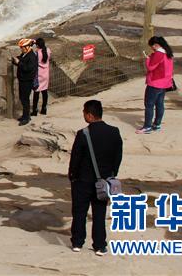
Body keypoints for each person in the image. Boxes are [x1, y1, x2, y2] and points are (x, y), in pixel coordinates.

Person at [68, 100, 123, 256]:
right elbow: (118, 156)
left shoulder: (83, 134)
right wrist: (112, 173)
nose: (84, 115)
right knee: (99, 212)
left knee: (79, 212)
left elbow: (76, 158)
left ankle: (77, 242)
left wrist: (72, 175)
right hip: (104, 181)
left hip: (83, 180)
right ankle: (99, 245)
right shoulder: (114, 132)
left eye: (84, 112)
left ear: (90, 115)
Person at [137, 36, 174, 134]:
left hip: (155, 83)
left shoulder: (159, 54)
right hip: (164, 83)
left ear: (156, 45)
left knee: (149, 105)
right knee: (160, 104)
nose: (151, 48)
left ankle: (147, 126)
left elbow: (150, 67)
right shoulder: (168, 52)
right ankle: (157, 124)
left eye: (152, 46)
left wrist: (148, 58)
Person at [11, 38, 38, 126]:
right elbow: (21, 61)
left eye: (22, 47)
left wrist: (18, 63)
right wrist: (16, 61)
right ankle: (25, 115)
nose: (21, 49)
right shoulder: (25, 54)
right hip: (23, 80)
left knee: (25, 99)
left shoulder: (32, 56)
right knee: (23, 99)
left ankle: (26, 118)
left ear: (27, 47)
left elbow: (28, 68)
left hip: (27, 81)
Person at [32, 37, 51, 116]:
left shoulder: (37, 53)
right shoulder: (48, 50)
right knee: (44, 92)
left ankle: (34, 110)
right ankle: (44, 109)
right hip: (46, 74)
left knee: (36, 93)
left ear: (37, 45)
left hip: (39, 75)